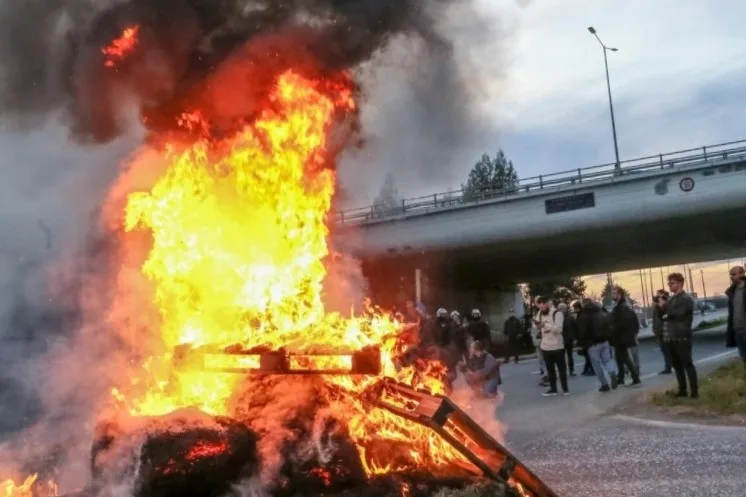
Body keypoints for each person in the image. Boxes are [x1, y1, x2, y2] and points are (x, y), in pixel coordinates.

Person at [662, 272, 698, 398]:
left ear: (680, 283)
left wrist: (667, 308)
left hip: (682, 336)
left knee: (687, 364)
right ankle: (682, 390)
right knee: (677, 366)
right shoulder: (672, 299)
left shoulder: (686, 298)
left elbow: (679, 314)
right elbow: (664, 316)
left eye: (672, 283)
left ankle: (694, 392)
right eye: (669, 283)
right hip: (672, 336)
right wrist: (660, 307)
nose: (670, 286)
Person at [576, 298, 618, 391]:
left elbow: (581, 332)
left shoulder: (583, 316)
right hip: (604, 341)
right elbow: (608, 325)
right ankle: (612, 372)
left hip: (592, 344)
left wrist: (581, 344)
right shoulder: (600, 312)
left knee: (597, 365)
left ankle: (604, 384)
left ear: (584, 304)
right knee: (607, 360)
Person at [533, 296, 568, 396]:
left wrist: (546, 325)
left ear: (547, 304)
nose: (541, 309)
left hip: (557, 346)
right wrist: (537, 325)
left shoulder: (557, 313)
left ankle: (565, 389)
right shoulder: (539, 313)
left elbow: (558, 329)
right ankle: (553, 389)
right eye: (540, 307)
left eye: (543, 307)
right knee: (550, 370)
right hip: (545, 346)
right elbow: (536, 325)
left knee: (562, 369)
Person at [610, 287, 642, 387]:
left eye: (614, 293)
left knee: (624, 358)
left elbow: (620, 323)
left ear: (620, 295)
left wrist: (612, 328)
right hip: (624, 337)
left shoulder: (621, 308)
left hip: (621, 337)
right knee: (619, 357)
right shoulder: (624, 306)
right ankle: (621, 377)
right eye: (612, 293)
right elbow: (634, 321)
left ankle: (635, 377)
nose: (612, 295)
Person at [725, 266, 746, 377]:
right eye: (731, 275)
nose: (731, 277)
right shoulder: (732, 291)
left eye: (734, 274)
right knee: (743, 357)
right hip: (738, 330)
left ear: (742, 273)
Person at [652, 289, 672, 375]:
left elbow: (665, 317)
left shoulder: (666, 306)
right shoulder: (657, 307)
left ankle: (669, 367)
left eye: (659, 296)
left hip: (665, 331)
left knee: (668, 350)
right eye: (657, 296)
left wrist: (661, 306)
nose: (657, 298)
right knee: (665, 351)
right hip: (659, 332)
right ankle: (668, 366)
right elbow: (655, 320)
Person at [572, 300, 594, 376]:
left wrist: (578, 340)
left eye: (575, 308)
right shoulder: (581, 314)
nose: (574, 310)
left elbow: (581, 329)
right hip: (585, 338)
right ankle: (587, 369)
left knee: (588, 355)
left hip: (585, 339)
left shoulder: (581, 315)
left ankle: (592, 370)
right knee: (587, 355)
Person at [557, 302, 577, 376]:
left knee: (569, 356)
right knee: (561, 357)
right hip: (560, 339)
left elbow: (575, 327)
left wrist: (574, 338)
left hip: (568, 339)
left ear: (566, 309)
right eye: (560, 308)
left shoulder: (570, 317)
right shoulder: (557, 317)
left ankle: (571, 371)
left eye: (563, 308)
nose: (562, 310)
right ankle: (563, 371)